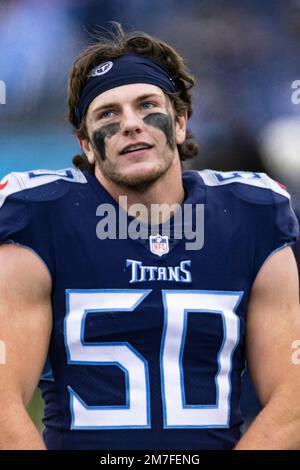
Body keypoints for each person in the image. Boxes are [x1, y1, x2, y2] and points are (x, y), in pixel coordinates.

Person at [0, 24, 300, 451]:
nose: (131, 124)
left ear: (179, 123)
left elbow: (293, 398)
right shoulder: (40, 217)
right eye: (107, 114)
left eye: (147, 106)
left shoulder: (251, 214)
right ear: (86, 145)